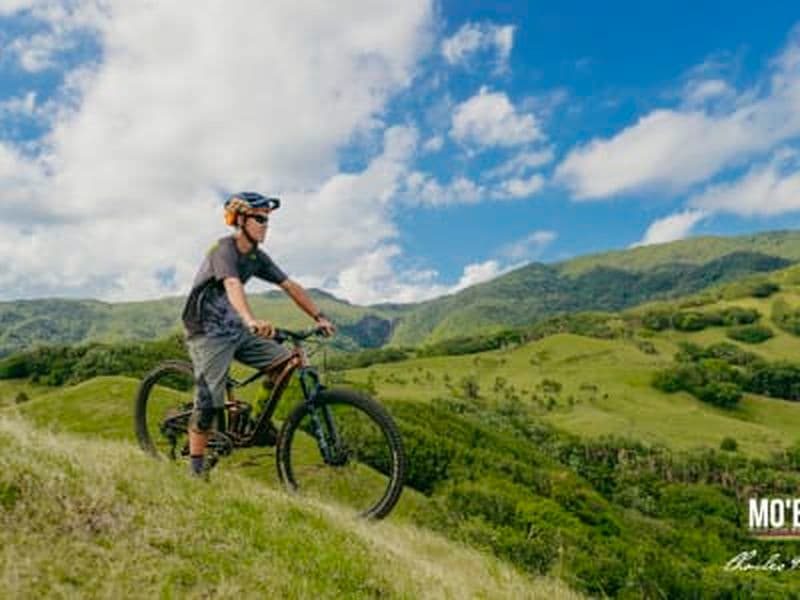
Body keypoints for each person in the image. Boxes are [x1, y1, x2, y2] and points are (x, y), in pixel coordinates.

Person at [181, 191, 336, 477]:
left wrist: (318, 316)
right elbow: (231, 283)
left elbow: (289, 285)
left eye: (267, 220)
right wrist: (250, 319)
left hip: (235, 327)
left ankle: (258, 424)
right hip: (207, 330)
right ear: (241, 220)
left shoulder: (256, 257)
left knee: (283, 363)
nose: (266, 225)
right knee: (209, 402)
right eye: (260, 218)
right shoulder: (223, 249)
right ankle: (196, 468)